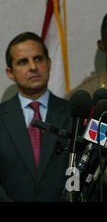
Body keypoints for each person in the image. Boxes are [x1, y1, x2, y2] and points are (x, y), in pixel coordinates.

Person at [0, 32, 71, 201]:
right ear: (10, 72)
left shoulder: (74, 114)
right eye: (23, 62)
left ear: (49, 63)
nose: (33, 67)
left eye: (38, 59)